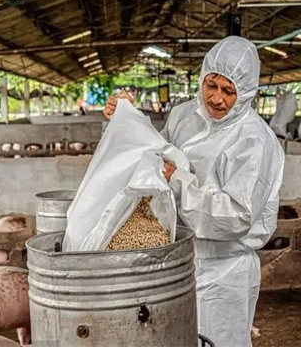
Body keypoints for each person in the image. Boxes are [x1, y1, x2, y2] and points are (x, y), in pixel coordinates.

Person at [104, 36, 284, 347]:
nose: (216, 98)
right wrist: (124, 121)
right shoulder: (184, 115)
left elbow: (236, 216)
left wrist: (179, 183)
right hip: (176, 260)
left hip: (223, 271)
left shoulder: (254, 141)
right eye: (211, 85)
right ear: (202, 77)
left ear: (247, 93)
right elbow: (152, 154)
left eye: (229, 91)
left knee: (218, 341)